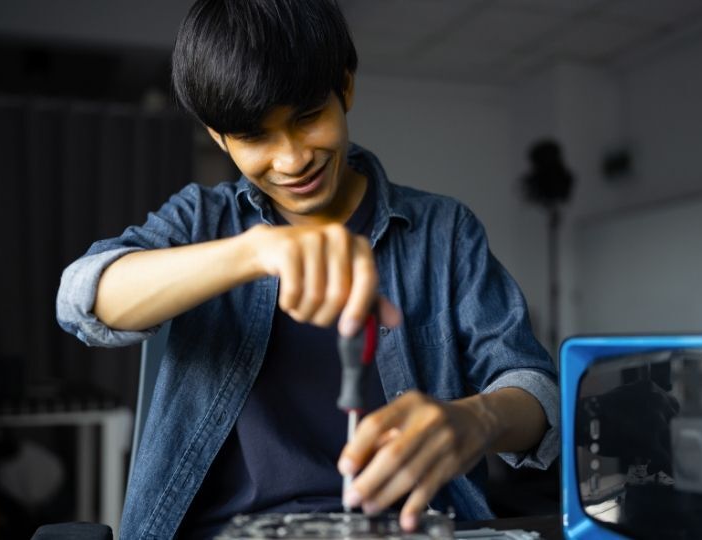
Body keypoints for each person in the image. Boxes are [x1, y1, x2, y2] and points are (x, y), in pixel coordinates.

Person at [56, 0, 559, 537]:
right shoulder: (201, 219)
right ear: (217, 135)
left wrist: (477, 420)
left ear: (345, 86)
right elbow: (81, 297)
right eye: (254, 137)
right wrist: (253, 252)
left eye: (307, 118)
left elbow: (537, 392)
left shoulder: (446, 231)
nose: (293, 160)